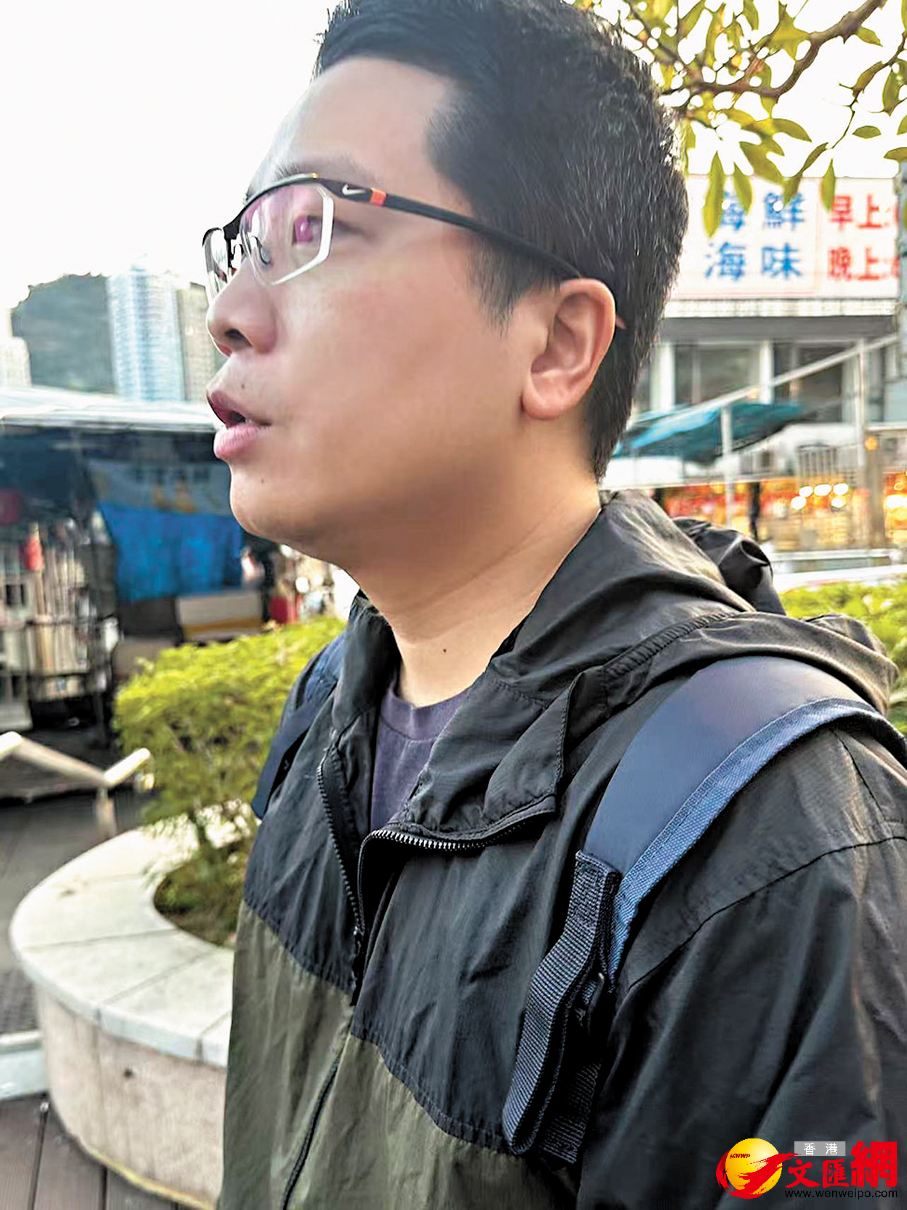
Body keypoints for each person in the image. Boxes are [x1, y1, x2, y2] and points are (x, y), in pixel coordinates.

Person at [203, 1, 907, 1206]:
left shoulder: (774, 848)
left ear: (557, 344)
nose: (232, 309)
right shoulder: (333, 705)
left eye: (317, 226)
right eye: (245, 241)